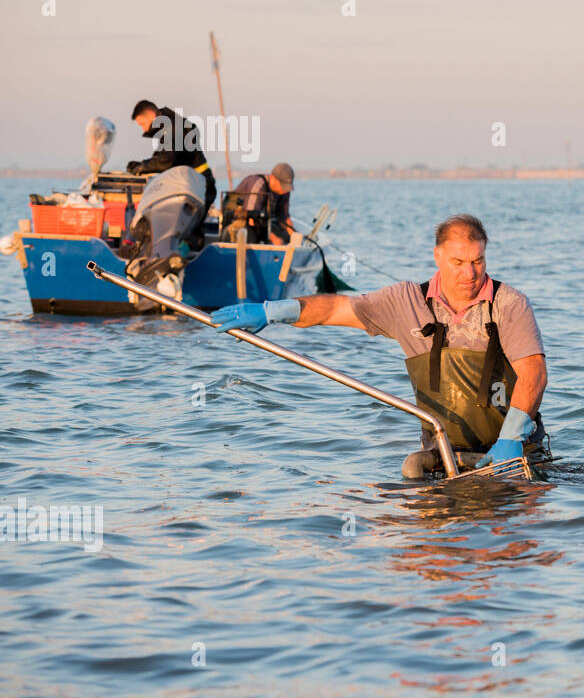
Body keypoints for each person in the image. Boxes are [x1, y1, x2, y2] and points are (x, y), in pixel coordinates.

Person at [208, 214, 548, 478]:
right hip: (444, 450)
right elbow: (337, 308)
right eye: (458, 263)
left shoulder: (510, 304)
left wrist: (512, 440)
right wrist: (273, 310)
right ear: (438, 257)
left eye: (478, 261)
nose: (469, 274)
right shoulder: (405, 300)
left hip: (513, 453)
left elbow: (533, 374)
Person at [128, 99, 217, 218]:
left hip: (197, 185)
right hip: (196, 182)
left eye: (143, 124)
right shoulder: (171, 126)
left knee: (188, 231)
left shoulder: (172, 129)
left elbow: (165, 162)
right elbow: (162, 156)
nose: (143, 129)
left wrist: (141, 167)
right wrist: (142, 164)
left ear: (152, 116)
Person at [230, 163, 296, 245]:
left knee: (286, 237)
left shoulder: (284, 192)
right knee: (252, 235)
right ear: (272, 178)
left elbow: (284, 216)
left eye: (287, 187)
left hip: (264, 224)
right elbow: (251, 219)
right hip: (242, 223)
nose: (285, 190)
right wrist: (273, 238)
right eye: (283, 186)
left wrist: (295, 236)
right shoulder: (258, 183)